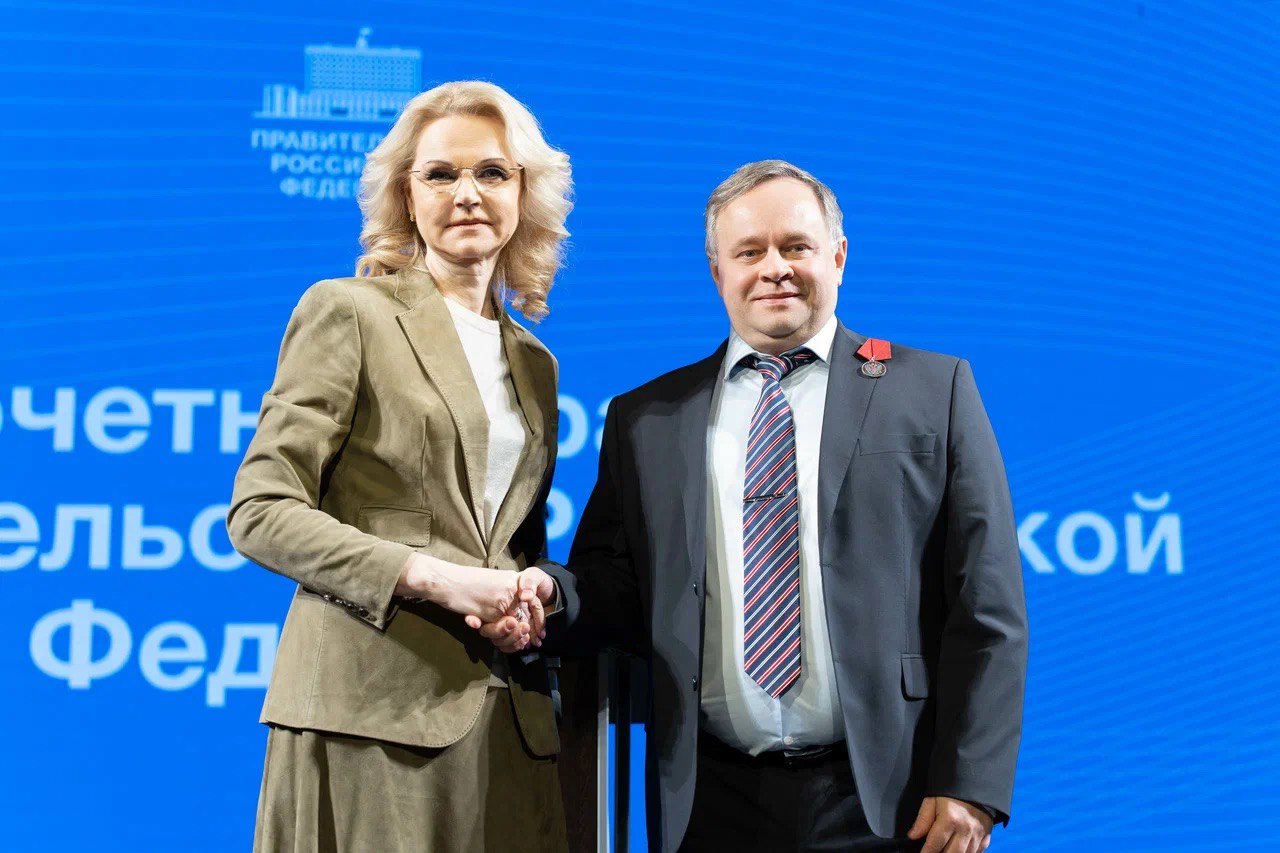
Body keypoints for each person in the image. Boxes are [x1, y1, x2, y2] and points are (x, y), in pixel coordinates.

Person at [480, 160, 1029, 852]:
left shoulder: (933, 390)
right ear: (718, 271)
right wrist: (552, 597)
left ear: (838, 256)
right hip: (710, 799)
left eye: (796, 246)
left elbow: (988, 607)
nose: (775, 268)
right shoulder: (646, 418)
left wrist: (971, 782)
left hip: (890, 798)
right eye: (749, 252)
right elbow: (613, 584)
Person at [226, 80, 572, 852]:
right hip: (368, 716)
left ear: (525, 193)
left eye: (492, 172)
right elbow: (260, 511)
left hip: (505, 721)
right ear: (405, 197)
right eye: (440, 174)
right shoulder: (349, 312)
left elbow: (511, 542)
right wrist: (433, 577)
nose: (467, 194)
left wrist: (526, 604)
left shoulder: (535, 362)